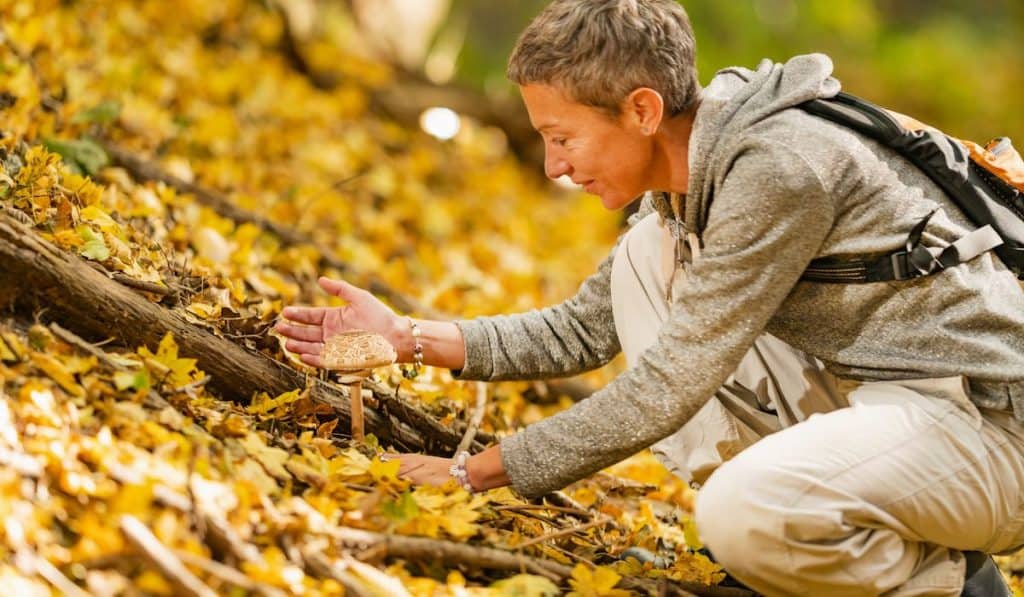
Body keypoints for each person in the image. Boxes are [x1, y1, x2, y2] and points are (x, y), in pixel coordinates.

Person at [276, 1, 1024, 594]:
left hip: (993, 426)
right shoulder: (692, 179)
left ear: (640, 110)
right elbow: (583, 329)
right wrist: (405, 336)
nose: (552, 165)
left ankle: (946, 584)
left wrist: (475, 472)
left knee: (740, 512)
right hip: (900, 402)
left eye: (562, 137)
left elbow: (667, 386)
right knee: (646, 261)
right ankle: (809, 550)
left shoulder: (776, 171)